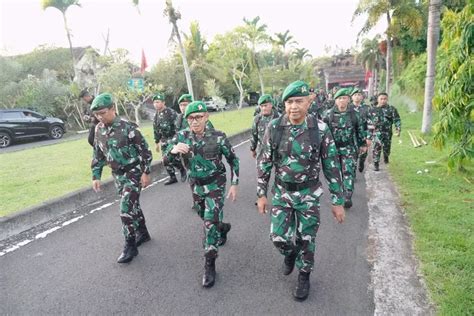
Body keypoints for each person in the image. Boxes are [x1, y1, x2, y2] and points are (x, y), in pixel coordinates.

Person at [256, 80, 345, 301]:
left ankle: (304, 276)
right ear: (284, 104)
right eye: (289, 102)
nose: (294, 106)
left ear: (308, 102)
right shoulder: (274, 127)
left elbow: (332, 166)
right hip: (282, 194)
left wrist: (337, 200)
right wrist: (261, 194)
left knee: (307, 239)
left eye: (298, 101)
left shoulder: (320, 129)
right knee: (278, 237)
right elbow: (264, 163)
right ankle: (290, 253)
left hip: (308, 195)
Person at [165, 101, 239, 288]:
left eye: (199, 117)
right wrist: (173, 151)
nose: (195, 121)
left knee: (209, 224)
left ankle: (209, 264)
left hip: (215, 184)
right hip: (196, 186)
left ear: (206, 116)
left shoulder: (218, 137)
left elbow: (233, 160)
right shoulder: (181, 137)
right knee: (203, 215)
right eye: (191, 118)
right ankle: (223, 227)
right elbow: (166, 158)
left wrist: (234, 183)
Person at [90, 93, 152, 264]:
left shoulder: (128, 127)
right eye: (97, 114)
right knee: (134, 206)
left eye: (103, 113)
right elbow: (97, 153)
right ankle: (143, 233)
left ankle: (130, 245)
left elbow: (145, 151)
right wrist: (96, 175)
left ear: (112, 109)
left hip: (133, 173)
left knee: (125, 209)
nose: (100, 117)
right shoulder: (98, 129)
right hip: (117, 175)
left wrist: (146, 172)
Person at [322, 88, 367, 209]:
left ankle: (348, 195)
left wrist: (362, 144)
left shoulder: (354, 114)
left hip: (349, 148)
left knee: (348, 172)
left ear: (348, 100)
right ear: (335, 100)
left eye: (345, 98)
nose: (342, 101)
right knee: (335, 173)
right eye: (339, 98)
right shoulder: (327, 115)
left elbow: (360, 130)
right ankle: (339, 193)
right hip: (333, 150)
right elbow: (322, 133)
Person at [152, 93, 186, 185]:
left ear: (163, 102)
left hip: (172, 138)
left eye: (158, 102)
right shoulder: (156, 115)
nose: (156, 104)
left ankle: (182, 169)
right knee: (165, 160)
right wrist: (156, 142)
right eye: (154, 102)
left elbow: (178, 126)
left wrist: (177, 140)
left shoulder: (171, 113)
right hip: (163, 140)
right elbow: (156, 130)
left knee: (172, 158)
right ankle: (172, 177)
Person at [367, 92, 401, 171]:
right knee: (376, 147)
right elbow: (369, 123)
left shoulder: (391, 109)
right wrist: (369, 135)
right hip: (377, 133)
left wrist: (398, 128)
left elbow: (397, 119)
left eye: (385, 99)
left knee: (387, 147)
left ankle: (386, 156)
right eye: (381, 99)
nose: (383, 101)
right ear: (378, 99)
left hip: (387, 132)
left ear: (387, 99)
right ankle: (376, 163)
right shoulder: (372, 110)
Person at [250, 94, 279, 159]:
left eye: (265, 105)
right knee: (261, 169)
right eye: (261, 106)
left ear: (271, 105)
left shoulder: (279, 118)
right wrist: (253, 149)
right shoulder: (257, 119)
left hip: (277, 152)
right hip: (263, 152)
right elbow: (254, 135)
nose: (263, 108)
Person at [350, 88, 371, 172]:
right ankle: (352, 173)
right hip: (352, 135)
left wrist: (369, 137)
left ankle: (361, 163)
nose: (357, 97)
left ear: (362, 97)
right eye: (355, 95)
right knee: (352, 156)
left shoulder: (367, 108)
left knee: (363, 154)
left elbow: (371, 123)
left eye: (359, 95)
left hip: (363, 135)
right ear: (351, 97)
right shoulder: (348, 108)